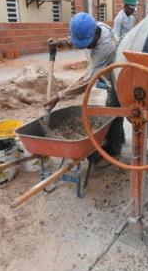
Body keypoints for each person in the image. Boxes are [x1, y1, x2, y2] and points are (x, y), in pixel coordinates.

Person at [44, 12, 125, 163]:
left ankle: (114, 149)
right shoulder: (95, 27)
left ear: (95, 35)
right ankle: (119, 139)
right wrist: (61, 43)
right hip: (109, 74)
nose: (85, 46)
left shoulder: (105, 47)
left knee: (113, 110)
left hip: (119, 79)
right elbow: (78, 39)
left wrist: (59, 96)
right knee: (114, 110)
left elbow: (87, 81)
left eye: (87, 43)